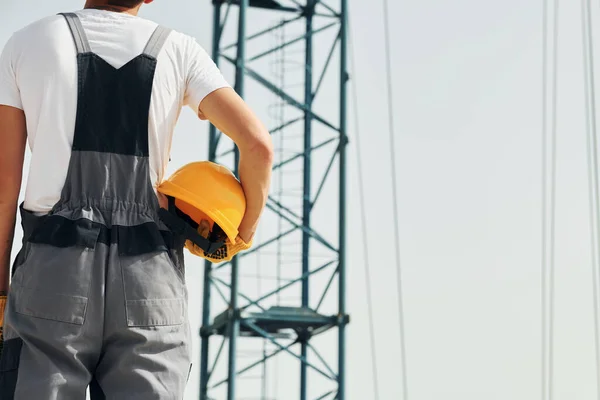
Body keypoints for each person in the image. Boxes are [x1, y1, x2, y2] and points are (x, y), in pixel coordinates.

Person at [0, 0, 273, 398]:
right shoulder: (180, 50)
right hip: (150, 278)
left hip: (53, 271)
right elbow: (259, 147)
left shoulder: (29, 42)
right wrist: (237, 239)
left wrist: (2, 292)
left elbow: (5, 189)